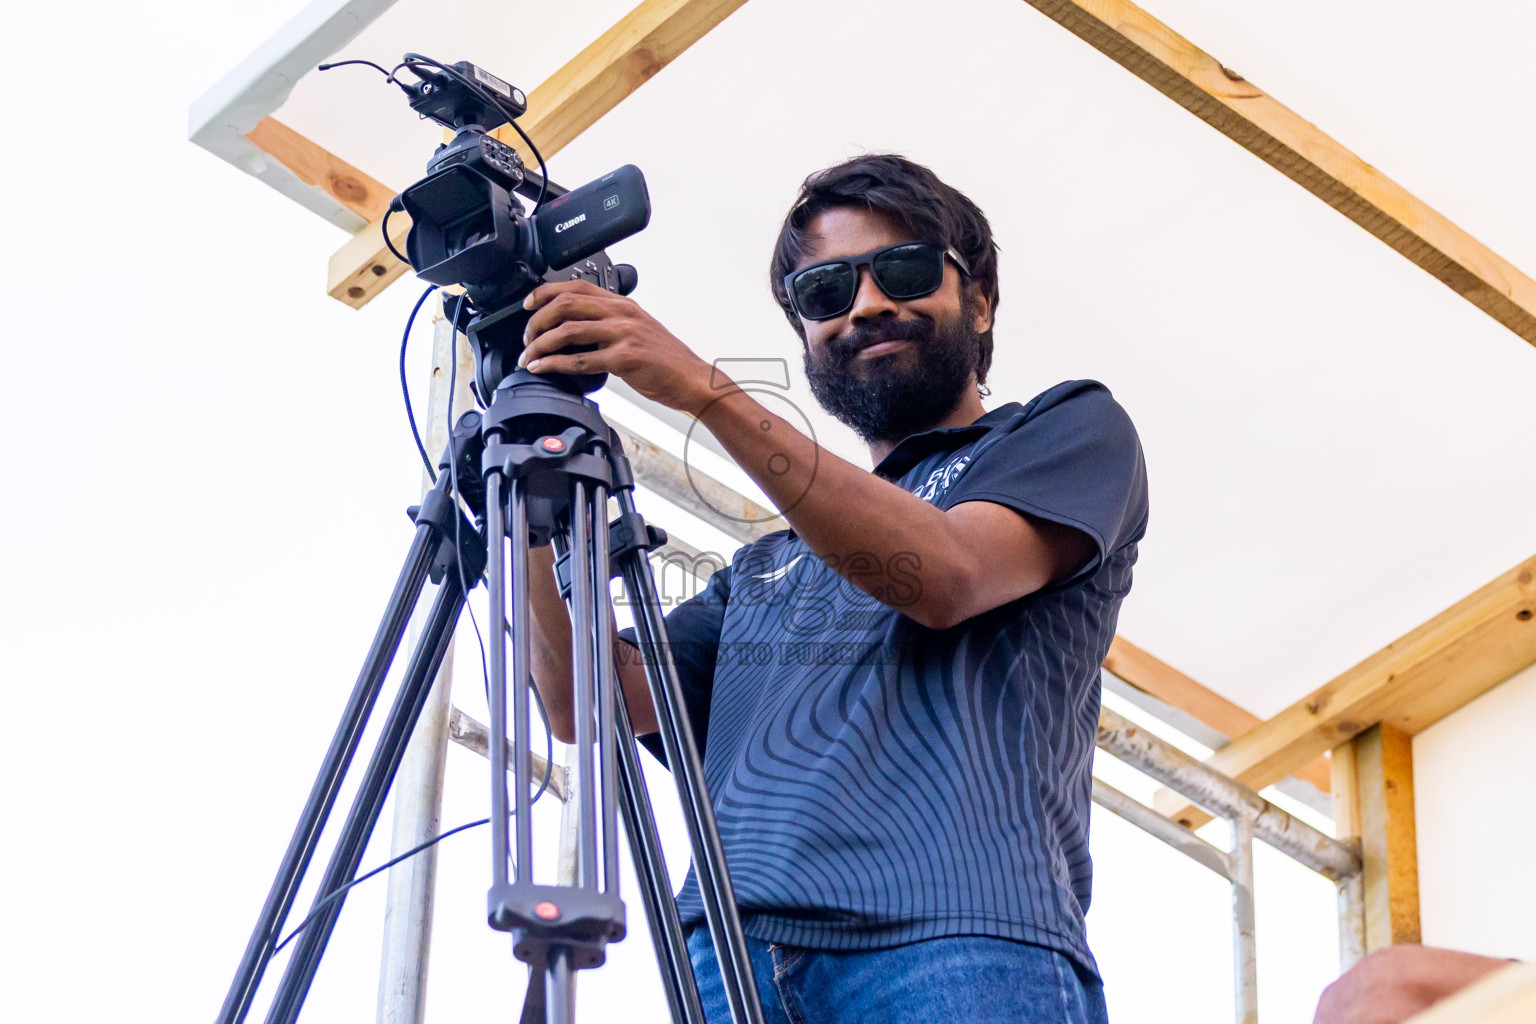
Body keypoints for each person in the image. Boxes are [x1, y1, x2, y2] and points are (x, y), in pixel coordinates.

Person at [519, 154, 1149, 1024]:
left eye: (903, 269)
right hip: (727, 957)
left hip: (953, 943)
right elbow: (584, 705)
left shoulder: (1066, 430)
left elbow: (943, 575)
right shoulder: (763, 568)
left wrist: (702, 390)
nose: (865, 305)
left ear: (981, 298)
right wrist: (520, 487)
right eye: (824, 293)